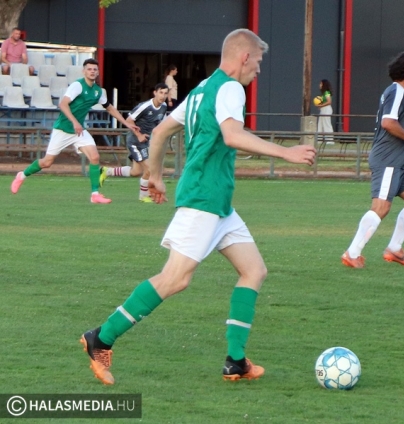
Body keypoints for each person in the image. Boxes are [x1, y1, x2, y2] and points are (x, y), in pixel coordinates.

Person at [80, 28, 316, 385]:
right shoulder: (230, 88)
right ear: (244, 57)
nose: (259, 70)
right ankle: (101, 337)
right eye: (258, 62)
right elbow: (232, 135)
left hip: (218, 203)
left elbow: (161, 132)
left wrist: (155, 176)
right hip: (204, 199)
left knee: (254, 270)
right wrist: (287, 152)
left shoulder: (203, 88)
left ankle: (235, 361)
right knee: (175, 279)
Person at [341, 51, 404, 269]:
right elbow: (388, 123)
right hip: (387, 159)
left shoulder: (401, 94)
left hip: (397, 161)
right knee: (381, 207)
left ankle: (394, 249)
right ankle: (352, 253)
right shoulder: (397, 91)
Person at [10, 58, 138, 204]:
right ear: (84, 71)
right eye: (89, 69)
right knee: (46, 162)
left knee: (95, 157)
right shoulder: (77, 86)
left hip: (79, 131)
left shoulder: (98, 91)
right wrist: (75, 122)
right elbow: (63, 104)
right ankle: (21, 175)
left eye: (95, 69)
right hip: (63, 130)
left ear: (98, 72)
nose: (92, 72)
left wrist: (126, 123)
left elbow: (109, 108)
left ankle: (95, 194)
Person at [100, 82, 169, 202]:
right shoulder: (145, 106)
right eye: (161, 93)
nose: (163, 96)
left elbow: (158, 124)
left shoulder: (164, 106)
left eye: (165, 93)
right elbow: (128, 120)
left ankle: (107, 171)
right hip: (135, 141)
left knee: (135, 172)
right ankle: (143, 196)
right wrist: (139, 135)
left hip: (146, 142)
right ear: (155, 93)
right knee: (149, 169)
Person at [316, 79, 334, 144]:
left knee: (327, 124)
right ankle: (319, 140)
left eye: (321, 84)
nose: (319, 85)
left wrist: (321, 105)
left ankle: (330, 140)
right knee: (320, 124)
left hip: (326, 109)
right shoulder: (324, 93)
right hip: (323, 109)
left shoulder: (326, 92)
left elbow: (329, 101)